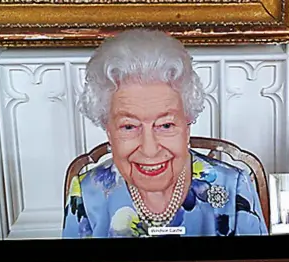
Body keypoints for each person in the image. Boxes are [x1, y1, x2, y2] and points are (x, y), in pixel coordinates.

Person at [62, 29, 268, 238]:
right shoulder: (87, 195)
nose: (150, 150)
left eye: (166, 125)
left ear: (187, 124)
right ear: (108, 129)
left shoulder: (233, 188)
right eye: (129, 126)